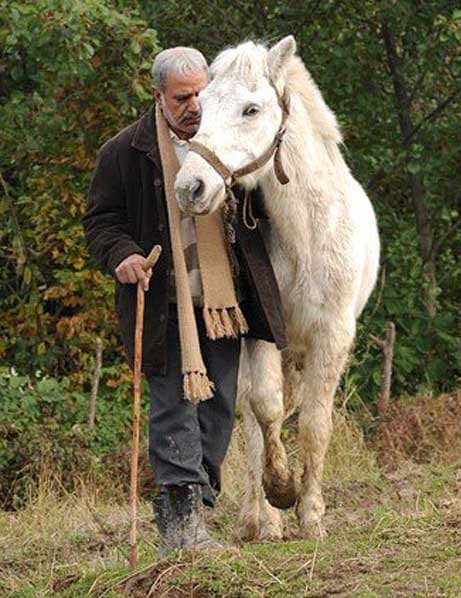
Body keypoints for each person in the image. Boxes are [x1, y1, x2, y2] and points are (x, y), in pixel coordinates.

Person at [82, 47, 287, 557]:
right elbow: (101, 221)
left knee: (218, 411)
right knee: (175, 409)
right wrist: (123, 255)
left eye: (200, 93)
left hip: (224, 304)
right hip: (164, 304)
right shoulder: (125, 152)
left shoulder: (226, 135)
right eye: (182, 97)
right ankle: (182, 526)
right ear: (158, 96)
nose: (194, 105)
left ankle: (196, 508)